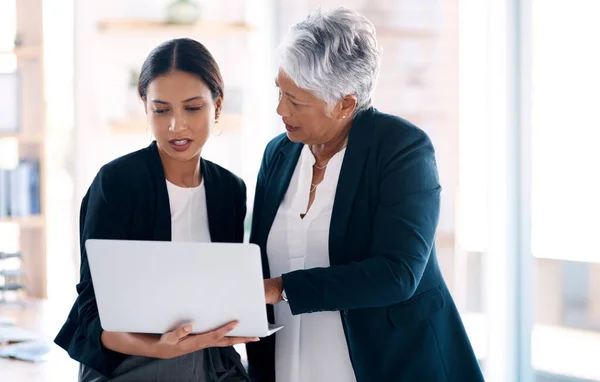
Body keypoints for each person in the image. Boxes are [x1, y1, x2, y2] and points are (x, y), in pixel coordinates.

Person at [247, 7, 484, 382]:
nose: (280, 109)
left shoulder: (402, 149)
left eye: (296, 101)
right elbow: (256, 261)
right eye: (280, 91)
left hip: (388, 362)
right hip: (291, 361)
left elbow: (398, 272)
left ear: (345, 104)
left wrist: (282, 288)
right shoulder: (278, 153)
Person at [55, 38, 256, 382]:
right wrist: (160, 348)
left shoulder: (228, 190)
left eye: (193, 108)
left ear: (217, 105)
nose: (176, 126)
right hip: (133, 361)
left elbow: (222, 292)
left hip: (211, 362)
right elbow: (91, 311)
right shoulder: (117, 182)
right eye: (161, 110)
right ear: (145, 107)